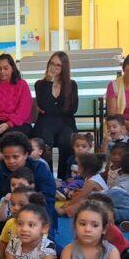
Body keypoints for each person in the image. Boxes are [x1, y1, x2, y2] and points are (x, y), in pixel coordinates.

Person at [0, 132, 58, 235]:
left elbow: (48, 199)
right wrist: (4, 220)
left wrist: (28, 220)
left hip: (35, 219)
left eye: (15, 157)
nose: (11, 161)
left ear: (26, 154)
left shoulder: (39, 168)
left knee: (43, 239)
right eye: (6, 157)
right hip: (6, 219)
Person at [33, 51, 80, 179]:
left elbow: (72, 109)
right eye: (52, 64)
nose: (54, 68)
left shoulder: (72, 85)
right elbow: (44, 106)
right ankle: (46, 177)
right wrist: (49, 82)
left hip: (66, 122)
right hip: (46, 122)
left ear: (64, 67)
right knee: (45, 142)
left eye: (58, 65)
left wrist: (52, 108)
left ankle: (64, 177)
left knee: (66, 141)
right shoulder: (40, 84)